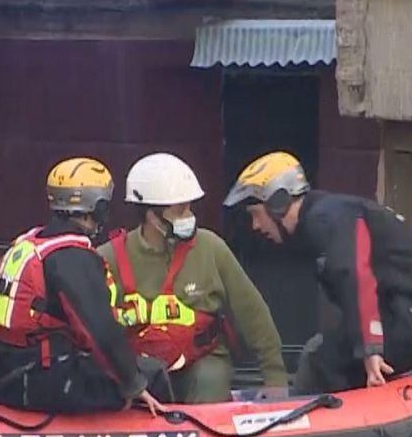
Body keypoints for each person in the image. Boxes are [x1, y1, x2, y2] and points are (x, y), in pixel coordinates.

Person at [222, 150, 412, 393]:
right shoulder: (328, 215)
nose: (255, 225)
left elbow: (355, 273)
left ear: (277, 203)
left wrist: (371, 350)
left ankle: (310, 428)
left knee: (319, 361)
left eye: (256, 214)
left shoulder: (326, 219)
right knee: (323, 350)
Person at [98, 152, 289, 403]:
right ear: (150, 214)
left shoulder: (210, 247)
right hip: (139, 367)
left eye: (189, 207)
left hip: (203, 359)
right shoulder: (107, 258)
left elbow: (252, 312)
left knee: (208, 380)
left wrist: (275, 377)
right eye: (179, 210)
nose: (189, 216)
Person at [0, 157, 168, 414]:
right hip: (45, 381)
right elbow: (101, 333)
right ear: (99, 205)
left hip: (7, 376)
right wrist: (133, 384)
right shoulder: (72, 256)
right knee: (153, 373)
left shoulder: (30, 242)